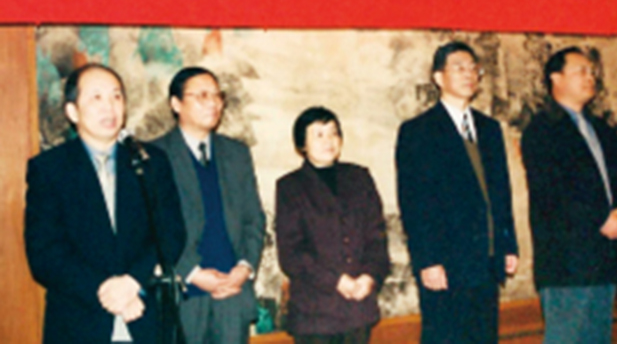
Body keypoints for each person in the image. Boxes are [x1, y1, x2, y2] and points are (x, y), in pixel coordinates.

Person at [24, 63, 186, 344]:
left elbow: (171, 232)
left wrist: (133, 282)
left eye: (116, 96)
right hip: (79, 322)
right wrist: (108, 293)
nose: (109, 107)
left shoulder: (149, 161)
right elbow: (45, 254)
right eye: (96, 97)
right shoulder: (49, 169)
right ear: (72, 111)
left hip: (147, 317)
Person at [395, 41, 519, 344]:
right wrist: (427, 260)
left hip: (486, 261)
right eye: (459, 68)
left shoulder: (489, 129)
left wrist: (508, 244)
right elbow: (414, 203)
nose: (468, 74)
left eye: (473, 68)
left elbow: (501, 194)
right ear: (439, 78)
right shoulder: (418, 131)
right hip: (446, 264)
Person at [521, 46, 617, 344]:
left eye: (592, 72)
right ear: (556, 78)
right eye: (581, 71)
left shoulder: (601, 128)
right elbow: (552, 194)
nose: (590, 77)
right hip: (568, 264)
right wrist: (601, 219)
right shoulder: (542, 130)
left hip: (605, 258)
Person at [151, 66, 265, 344]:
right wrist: (192, 273)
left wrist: (244, 267)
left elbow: (254, 219)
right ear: (176, 104)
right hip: (184, 296)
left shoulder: (237, 153)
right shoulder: (155, 155)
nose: (213, 103)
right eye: (202, 95)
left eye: (217, 95)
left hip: (233, 295)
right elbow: (152, 227)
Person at [275, 106, 390, 344]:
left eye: (333, 133)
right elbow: (291, 254)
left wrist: (369, 277)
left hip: (358, 309)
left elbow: (377, 237)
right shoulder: (290, 187)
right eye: (319, 134)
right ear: (302, 144)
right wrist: (337, 280)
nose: (328, 140)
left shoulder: (359, 177)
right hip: (314, 314)